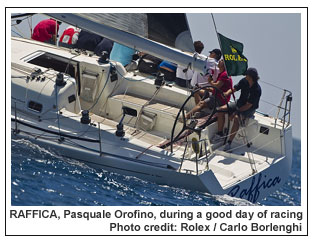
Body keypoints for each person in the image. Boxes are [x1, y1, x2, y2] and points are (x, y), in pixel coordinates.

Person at [213, 67, 262, 152]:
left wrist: (236, 112)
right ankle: (220, 134)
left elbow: (248, 105)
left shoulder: (257, 90)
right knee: (220, 110)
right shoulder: (244, 81)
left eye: (246, 74)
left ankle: (229, 143)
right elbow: (234, 89)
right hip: (238, 103)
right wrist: (226, 93)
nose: (245, 75)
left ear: (250, 76)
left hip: (249, 109)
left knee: (236, 118)